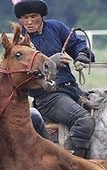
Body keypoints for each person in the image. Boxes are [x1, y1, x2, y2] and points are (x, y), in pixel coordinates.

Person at [14, 0, 96, 158]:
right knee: (84, 121)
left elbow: (77, 43)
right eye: (25, 17)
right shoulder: (19, 42)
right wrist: (50, 63)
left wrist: (81, 55)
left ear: (41, 16)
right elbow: (22, 74)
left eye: (33, 16)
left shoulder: (56, 27)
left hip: (71, 88)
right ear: (20, 19)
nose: (29, 22)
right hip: (47, 97)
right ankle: (71, 164)